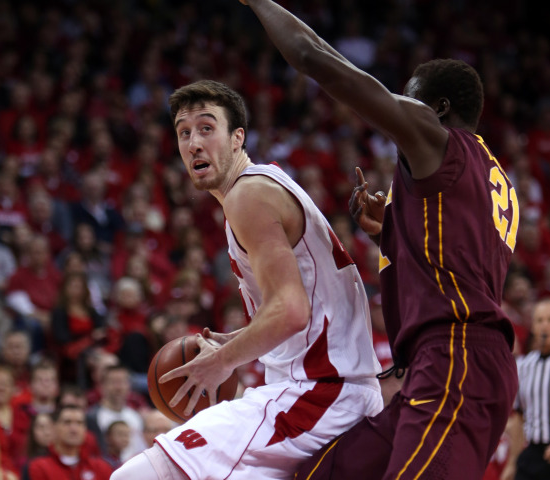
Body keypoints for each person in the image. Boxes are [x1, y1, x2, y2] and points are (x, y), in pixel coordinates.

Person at [238, 2, 520, 479]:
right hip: (445, 365)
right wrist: (391, 223)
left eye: (407, 99)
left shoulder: (438, 140)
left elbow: (316, 59)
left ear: (439, 109)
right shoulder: (495, 182)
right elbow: (458, 257)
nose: (399, 109)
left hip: (457, 357)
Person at [112, 80, 383, 480]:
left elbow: (291, 311)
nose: (193, 144)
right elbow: (301, 308)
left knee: (134, 478)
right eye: (183, 133)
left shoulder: (248, 195)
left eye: (207, 128)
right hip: (334, 393)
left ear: (238, 137)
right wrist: (241, 339)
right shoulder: (263, 185)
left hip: (319, 394)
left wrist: (221, 362)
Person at [502, 298, 550, 480]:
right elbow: (519, 417)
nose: (545, 325)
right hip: (533, 456)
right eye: (539, 320)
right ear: (532, 327)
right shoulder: (523, 365)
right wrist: (512, 462)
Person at [23, 405, 112, 480]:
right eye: (67, 422)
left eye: (79, 423)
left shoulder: (102, 468)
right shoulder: (38, 467)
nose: (74, 429)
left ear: (85, 429)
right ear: (54, 428)